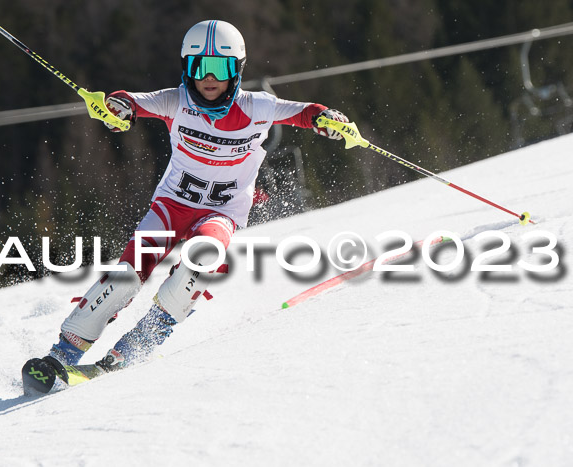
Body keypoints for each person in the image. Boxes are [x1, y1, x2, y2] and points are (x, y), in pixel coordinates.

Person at [45, 20, 349, 374]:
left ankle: (137, 345)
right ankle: (62, 354)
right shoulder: (175, 102)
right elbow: (131, 103)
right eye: (198, 66)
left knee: (199, 262)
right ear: (186, 69)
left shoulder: (258, 107)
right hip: (172, 206)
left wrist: (329, 119)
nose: (208, 77)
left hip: (221, 212)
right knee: (124, 277)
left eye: (219, 68)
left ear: (236, 69)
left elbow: (304, 112)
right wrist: (115, 109)